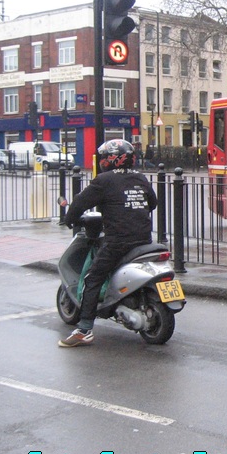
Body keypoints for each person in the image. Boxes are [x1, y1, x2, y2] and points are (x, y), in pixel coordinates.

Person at [58, 139, 157, 347]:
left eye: (104, 157)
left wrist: (69, 219)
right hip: (144, 239)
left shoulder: (104, 180)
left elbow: (80, 203)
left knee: (91, 278)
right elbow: (153, 203)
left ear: (112, 159)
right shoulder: (140, 178)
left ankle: (84, 329)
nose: (103, 161)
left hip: (118, 241)